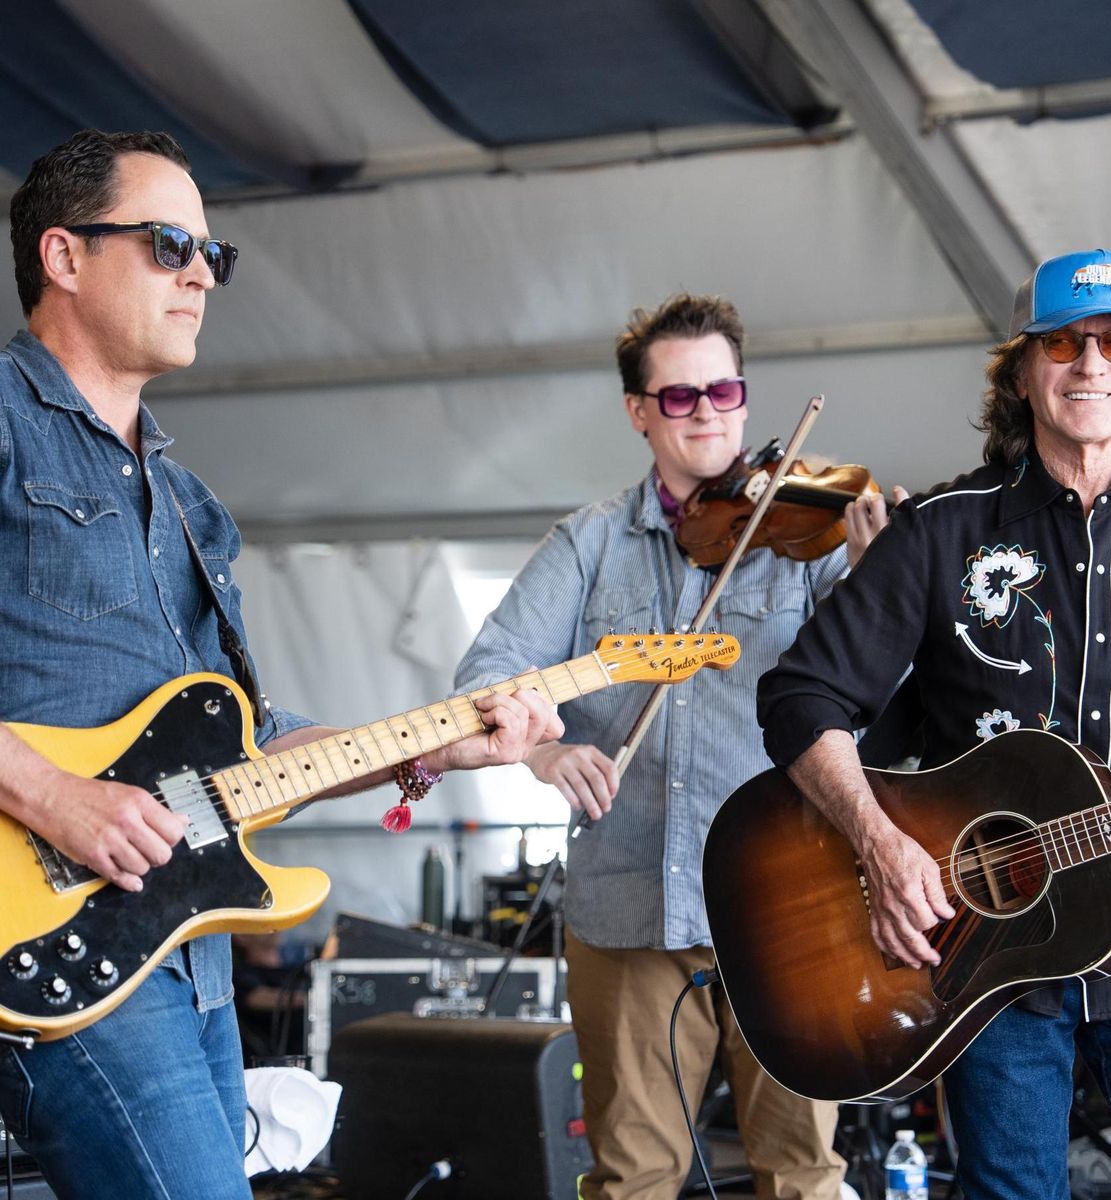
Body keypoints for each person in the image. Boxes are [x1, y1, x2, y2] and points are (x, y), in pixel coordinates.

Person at [0, 129, 560, 1200]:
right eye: (170, 245)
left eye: (214, 254)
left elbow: (247, 745)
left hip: (189, 949)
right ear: (63, 256)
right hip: (52, 940)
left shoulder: (191, 504)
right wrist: (53, 796)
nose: (202, 275)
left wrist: (432, 746)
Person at [758, 248, 1111, 1199]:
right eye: (1064, 343)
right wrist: (879, 844)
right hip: (986, 960)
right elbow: (801, 697)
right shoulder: (940, 529)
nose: (1092, 363)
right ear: (1022, 369)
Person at [455, 293, 895, 1199]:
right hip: (632, 908)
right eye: (681, 396)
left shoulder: (809, 534)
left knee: (804, 1175)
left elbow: (879, 701)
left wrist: (874, 583)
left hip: (791, 900)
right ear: (639, 411)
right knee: (634, 1179)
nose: (708, 414)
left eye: (724, 392)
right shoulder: (589, 543)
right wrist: (543, 755)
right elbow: (487, 677)